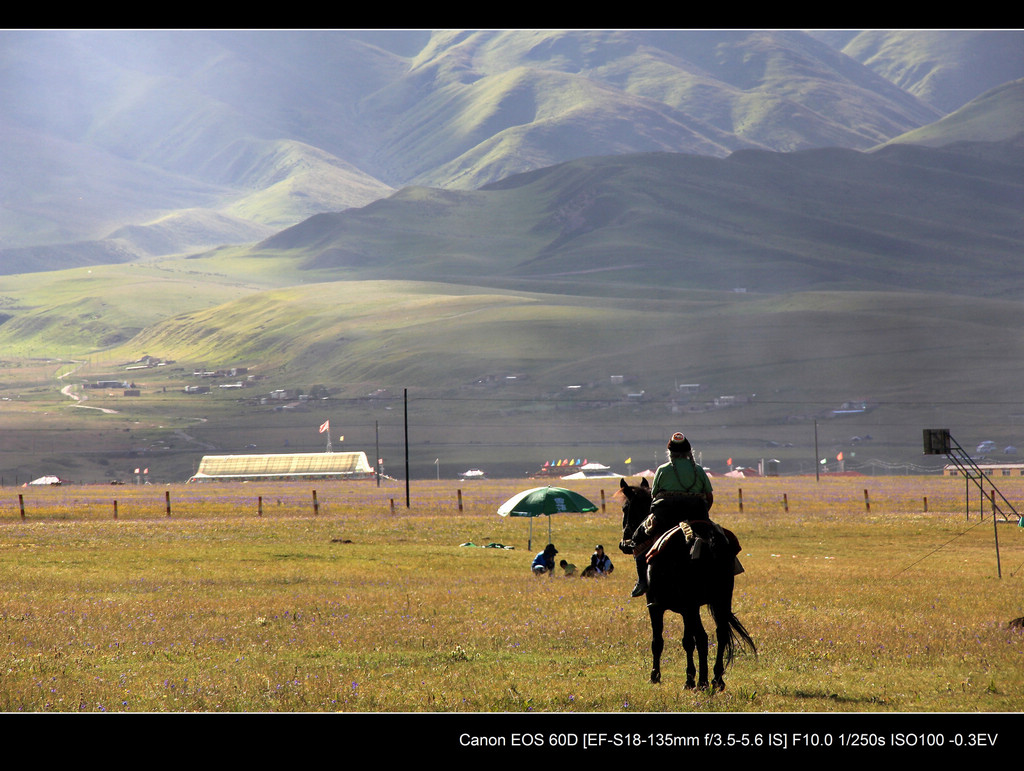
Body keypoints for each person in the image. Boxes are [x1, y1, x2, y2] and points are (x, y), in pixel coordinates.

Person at [629, 432, 715, 597]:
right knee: (719, 537)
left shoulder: (662, 470)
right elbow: (709, 497)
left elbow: (654, 496)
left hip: (666, 518)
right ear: (689, 452)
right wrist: (702, 515)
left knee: (639, 539)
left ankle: (642, 581)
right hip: (697, 515)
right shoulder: (698, 470)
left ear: (670, 453)